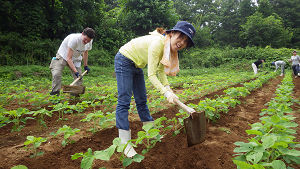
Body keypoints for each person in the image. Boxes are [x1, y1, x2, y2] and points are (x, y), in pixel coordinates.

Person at [114, 21, 196, 157]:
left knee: (141, 100)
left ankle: (151, 133)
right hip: (124, 59)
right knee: (124, 100)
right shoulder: (158, 44)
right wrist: (165, 93)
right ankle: (124, 143)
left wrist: (169, 89)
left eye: (186, 41)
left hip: (136, 64)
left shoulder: (167, 49)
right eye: (181, 37)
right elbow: (151, 75)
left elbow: (161, 71)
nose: (182, 42)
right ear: (172, 33)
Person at [49, 27, 95, 96]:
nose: (86, 42)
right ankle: (55, 93)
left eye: (88, 41)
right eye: (85, 39)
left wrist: (85, 65)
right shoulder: (74, 40)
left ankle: (74, 95)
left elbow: (85, 52)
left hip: (76, 58)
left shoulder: (89, 41)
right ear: (82, 34)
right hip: (63, 56)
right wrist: (75, 72)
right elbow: (68, 58)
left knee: (79, 79)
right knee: (56, 74)